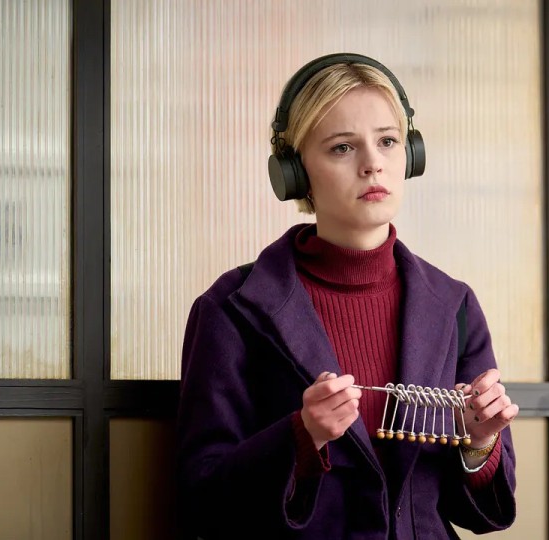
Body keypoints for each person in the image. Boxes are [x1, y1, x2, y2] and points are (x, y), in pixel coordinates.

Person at [177, 53, 519, 539]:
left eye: (388, 141)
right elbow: (201, 500)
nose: (373, 163)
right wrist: (302, 436)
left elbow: (485, 513)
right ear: (294, 173)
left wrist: (479, 444)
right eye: (342, 147)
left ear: (411, 154)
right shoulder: (232, 308)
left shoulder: (454, 305)